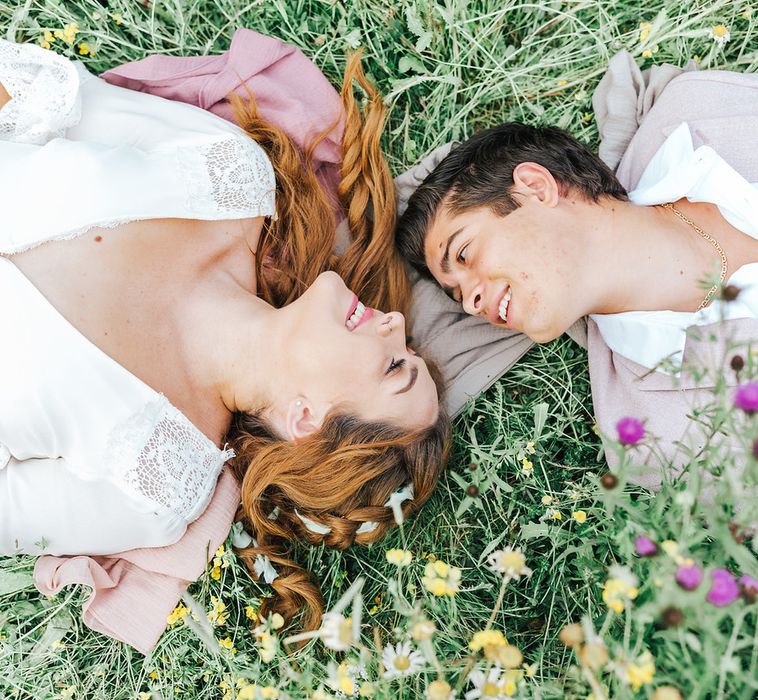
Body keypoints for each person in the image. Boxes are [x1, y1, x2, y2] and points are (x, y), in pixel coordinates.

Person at [0, 38, 451, 629]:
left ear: (305, 419)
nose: (395, 324)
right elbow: (40, 99)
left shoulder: (157, 481)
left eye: (395, 366)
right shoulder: (230, 178)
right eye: (409, 348)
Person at [396, 64, 758, 480]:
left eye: (464, 253)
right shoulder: (651, 436)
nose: (470, 301)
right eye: (456, 295)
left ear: (536, 188)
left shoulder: (700, 108)